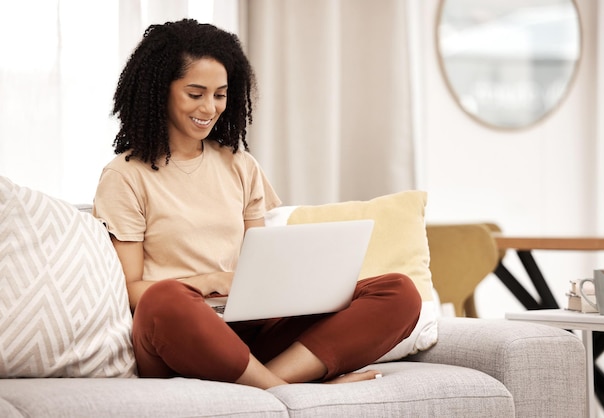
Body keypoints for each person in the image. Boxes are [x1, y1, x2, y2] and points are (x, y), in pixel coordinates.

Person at [93, 18, 421, 389]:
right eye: (195, 93)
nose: (210, 107)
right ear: (159, 90)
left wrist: (299, 287)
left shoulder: (239, 164)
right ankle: (285, 390)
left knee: (398, 291)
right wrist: (207, 281)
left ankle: (267, 382)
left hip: (248, 329)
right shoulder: (125, 176)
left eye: (220, 94)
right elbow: (132, 290)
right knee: (162, 299)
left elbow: (261, 265)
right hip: (181, 332)